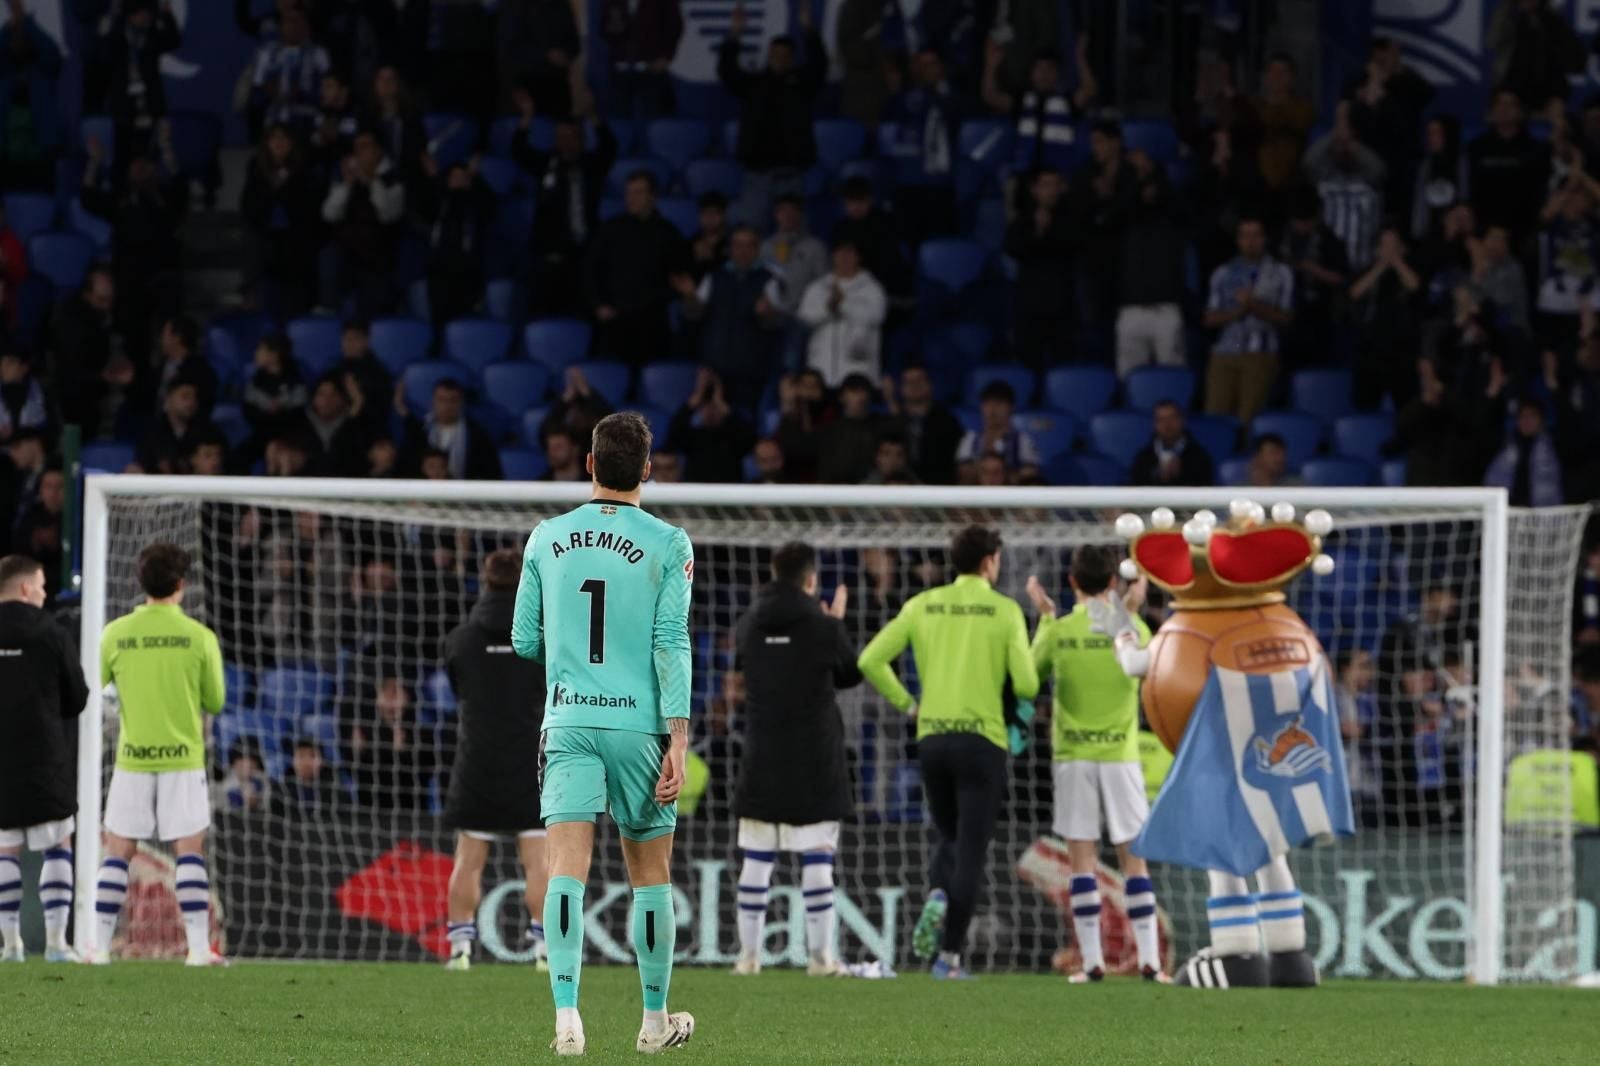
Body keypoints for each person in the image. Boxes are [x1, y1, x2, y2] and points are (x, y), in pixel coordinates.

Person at [511, 412, 696, 1054]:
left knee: (566, 868)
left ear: (588, 464)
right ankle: (653, 1023)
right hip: (640, 727)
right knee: (650, 875)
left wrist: (569, 662)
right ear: (647, 469)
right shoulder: (671, 543)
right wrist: (678, 737)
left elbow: (522, 639)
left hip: (567, 721)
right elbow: (671, 641)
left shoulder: (544, 537)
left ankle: (567, 1018)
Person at [858, 525, 1040, 979]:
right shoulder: (1004, 610)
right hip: (983, 742)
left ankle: (938, 890)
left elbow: (870, 660)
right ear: (990, 562)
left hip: (933, 739)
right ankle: (949, 958)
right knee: (973, 850)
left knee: (948, 835)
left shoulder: (922, 604)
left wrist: (908, 704)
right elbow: (1029, 683)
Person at [1025, 549, 1166, 983]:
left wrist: (1046, 620)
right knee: (1133, 861)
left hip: (1073, 757)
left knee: (1082, 861)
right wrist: (1131, 610)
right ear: (1113, 584)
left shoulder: (1060, 629)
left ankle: (1091, 963)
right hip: (1121, 756)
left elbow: (1029, 679)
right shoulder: (1132, 628)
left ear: (1071, 582)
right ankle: (1150, 962)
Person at [91, 543, 227, 966]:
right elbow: (216, 700)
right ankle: (199, 949)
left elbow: (97, 688)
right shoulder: (199, 637)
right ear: (181, 586)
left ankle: (96, 948)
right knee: (189, 852)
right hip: (182, 758)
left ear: (141, 582)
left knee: (118, 852)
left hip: (133, 757)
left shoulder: (114, 633)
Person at [731, 542, 860, 976]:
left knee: (757, 857)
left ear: (772, 571)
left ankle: (748, 958)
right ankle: (822, 959)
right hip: (814, 756)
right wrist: (837, 624)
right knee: (818, 856)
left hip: (762, 753)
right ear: (811, 580)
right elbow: (850, 673)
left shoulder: (748, 624)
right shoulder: (823, 626)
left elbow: (741, 674)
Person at [442, 549, 550, 972]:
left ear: (484, 583)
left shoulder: (460, 640)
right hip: (530, 761)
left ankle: (460, 950)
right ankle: (544, 951)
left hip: (478, 760)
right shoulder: (539, 639)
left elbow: (457, 686)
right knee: (539, 861)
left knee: (468, 859)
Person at [0, 555, 89, 963]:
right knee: (58, 845)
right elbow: (77, 697)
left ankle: (11, 945)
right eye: (40, 585)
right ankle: (56, 943)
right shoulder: (51, 631)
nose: (44, 593)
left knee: (5, 850)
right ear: (23, 588)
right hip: (44, 758)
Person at [719, 2, 827, 226]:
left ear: (792, 57)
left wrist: (808, 30)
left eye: (785, 54)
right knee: (749, 233)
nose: (779, 58)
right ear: (768, 56)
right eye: (775, 54)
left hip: (792, 175)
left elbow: (820, 65)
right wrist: (734, 35)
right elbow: (727, 72)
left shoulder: (801, 84)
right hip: (757, 176)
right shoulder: (754, 84)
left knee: (793, 238)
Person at [585, 170, 691, 366]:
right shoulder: (610, 230)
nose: (631, 198)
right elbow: (592, 271)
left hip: (652, 323)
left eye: (638, 192)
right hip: (615, 321)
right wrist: (599, 304)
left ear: (653, 196)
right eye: (628, 193)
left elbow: (679, 276)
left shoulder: (668, 233)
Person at [675, 226, 783, 409]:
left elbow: (774, 324)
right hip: (714, 369)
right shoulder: (714, 277)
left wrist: (766, 313)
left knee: (742, 426)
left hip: (750, 373)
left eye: (749, 245)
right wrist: (690, 297)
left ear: (757, 249)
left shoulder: (769, 280)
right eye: (738, 245)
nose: (743, 251)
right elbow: (694, 314)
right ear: (730, 248)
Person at [1203, 217, 1295, 424]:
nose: (1250, 241)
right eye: (1245, 236)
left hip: (1260, 353)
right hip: (1225, 351)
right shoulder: (1223, 273)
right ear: (1238, 240)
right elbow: (1209, 318)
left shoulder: (1280, 273)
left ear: (1265, 239)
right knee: (1215, 418)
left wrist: (1254, 305)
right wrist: (1238, 312)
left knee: (1248, 420)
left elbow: (1286, 318)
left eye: (1256, 235)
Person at [1006, 168, 1074, 370]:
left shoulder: (1070, 219)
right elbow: (1012, 248)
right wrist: (1037, 231)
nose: (1051, 191)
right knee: (1028, 368)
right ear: (1034, 190)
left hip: (1062, 307)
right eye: (1045, 185)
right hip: (1029, 308)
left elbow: (1072, 247)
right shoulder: (1022, 221)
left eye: (1055, 185)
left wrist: (1048, 231)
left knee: (1064, 369)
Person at [798, 240, 888, 387]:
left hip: (858, 374)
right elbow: (806, 317)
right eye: (840, 252)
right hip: (821, 372)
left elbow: (877, 315)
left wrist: (843, 304)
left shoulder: (872, 288)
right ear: (833, 255)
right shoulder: (818, 287)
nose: (844, 257)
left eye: (849, 252)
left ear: (858, 257)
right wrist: (829, 308)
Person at [400, 379, 502, 481]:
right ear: (432, 402)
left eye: (452, 400)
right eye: (441, 399)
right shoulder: (420, 432)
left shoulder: (478, 436)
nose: (446, 406)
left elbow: (491, 474)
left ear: (461, 403)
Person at [599, 0, 684, 121]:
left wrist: (666, 56)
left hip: (651, 68)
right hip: (621, 68)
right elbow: (604, 28)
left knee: (655, 121)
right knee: (619, 122)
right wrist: (614, 27)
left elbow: (675, 24)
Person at [886, 365, 963, 485]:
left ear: (929, 384)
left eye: (918, 380)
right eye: (908, 381)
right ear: (901, 387)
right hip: (898, 489)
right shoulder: (892, 424)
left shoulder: (947, 423)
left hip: (938, 491)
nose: (914, 385)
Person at [956, 380, 1041, 485]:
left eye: (999, 403)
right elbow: (963, 475)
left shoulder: (1022, 441)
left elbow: (1030, 474)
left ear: (1011, 407)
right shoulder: (970, 439)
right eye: (988, 403)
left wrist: (1002, 475)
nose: (993, 409)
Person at [1483, 397, 1564, 506]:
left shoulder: (1554, 446)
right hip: (1509, 513)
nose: (1527, 420)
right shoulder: (1504, 446)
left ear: (1541, 419)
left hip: (1543, 515)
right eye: (1523, 416)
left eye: (1532, 416)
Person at [1129, 401, 1216, 487]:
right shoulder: (1143, 458)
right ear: (1154, 425)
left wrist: (1181, 473)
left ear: (1182, 420)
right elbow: (1136, 489)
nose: (1167, 425)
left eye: (1172, 418)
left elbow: (1205, 490)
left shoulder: (1199, 457)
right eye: (1161, 420)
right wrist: (1157, 476)